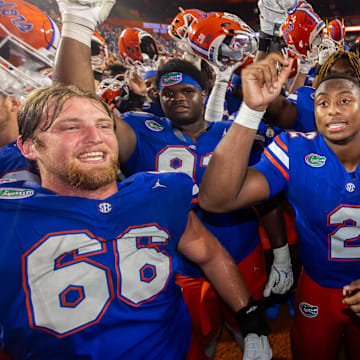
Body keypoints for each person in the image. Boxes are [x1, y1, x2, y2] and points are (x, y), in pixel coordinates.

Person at [52, 2, 292, 358]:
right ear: (157, 97)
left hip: (241, 254)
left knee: (253, 337)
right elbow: (79, 108)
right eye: (168, 92)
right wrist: (77, 24)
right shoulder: (142, 130)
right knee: (199, 342)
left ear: (204, 92)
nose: (177, 98)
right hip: (174, 266)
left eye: (187, 91)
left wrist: (281, 252)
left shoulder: (233, 132)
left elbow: (270, 184)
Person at [0, 84, 271, 360]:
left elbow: (210, 254)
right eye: (71, 128)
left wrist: (249, 315)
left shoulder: (161, 192)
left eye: (104, 126)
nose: (95, 138)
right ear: (29, 146)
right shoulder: (8, 216)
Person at [199, 52, 360, 360]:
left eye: (344, 100)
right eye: (323, 103)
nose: (332, 110)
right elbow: (216, 198)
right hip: (317, 285)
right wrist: (251, 110)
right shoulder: (295, 148)